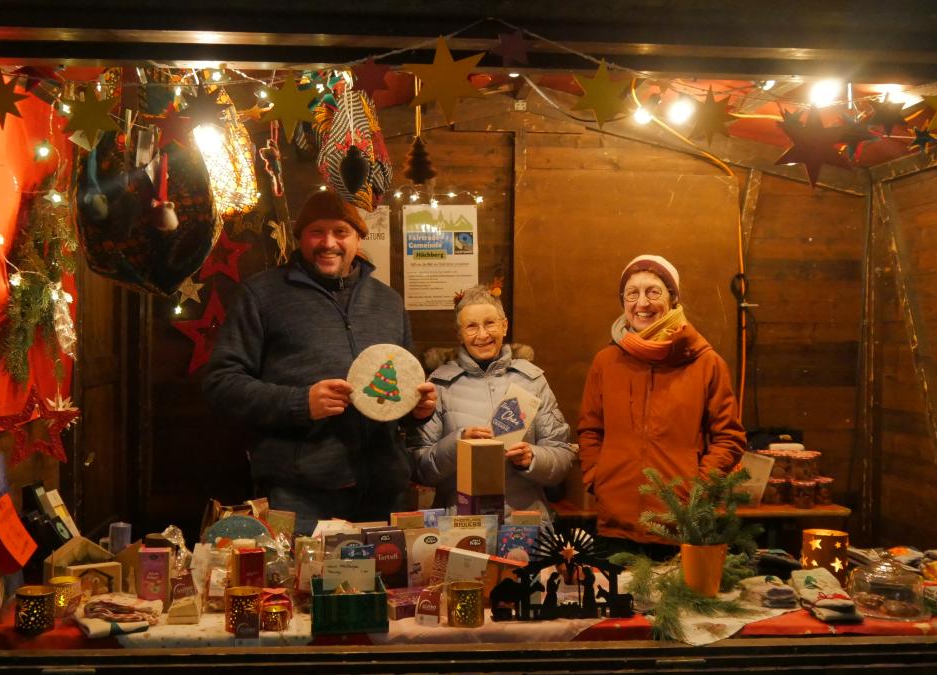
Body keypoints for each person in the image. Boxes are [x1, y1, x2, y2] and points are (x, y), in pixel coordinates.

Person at [203, 190, 436, 535]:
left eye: (340, 232)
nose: (328, 243)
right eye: (317, 232)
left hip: (385, 493)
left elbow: (403, 386)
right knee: (305, 588)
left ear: (358, 238)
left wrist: (419, 409)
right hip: (300, 496)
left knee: (387, 590)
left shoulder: (387, 301)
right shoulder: (263, 295)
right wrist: (301, 403)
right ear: (301, 238)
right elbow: (220, 384)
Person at [577, 254, 745, 560]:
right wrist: (597, 479)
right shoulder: (605, 362)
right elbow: (590, 430)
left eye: (654, 291)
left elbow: (729, 438)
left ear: (673, 299)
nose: (642, 303)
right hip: (615, 527)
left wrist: (698, 491)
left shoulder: (707, 364)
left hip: (681, 527)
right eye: (632, 293)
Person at [411, 286, 574, 521]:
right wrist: (457, 443)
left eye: (490, 323)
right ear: (459, 334)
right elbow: (420, 470)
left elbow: (562, 456)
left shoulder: (533, 381)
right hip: (463, 523)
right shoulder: (439, 385)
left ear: (504, 326)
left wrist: (532, 458)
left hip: (525, 522)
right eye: (471, 326)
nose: (482, 335)